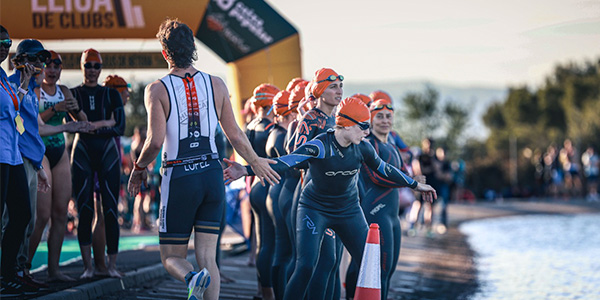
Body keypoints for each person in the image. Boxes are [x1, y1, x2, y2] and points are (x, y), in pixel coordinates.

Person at [223, 96, 437, 300]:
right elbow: (285, 162)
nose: (367, 131)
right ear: (346, 124)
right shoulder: (320, 146)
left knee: (371, 262)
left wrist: (416, 184)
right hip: (315, 209)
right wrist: (245, 169)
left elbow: (385, 169)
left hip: (348, 211)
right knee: (306, 266)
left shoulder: (363, 147)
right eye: (363, 126)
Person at [127, 18, 279, 300]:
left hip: (179, 176)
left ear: (164, 52)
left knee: (171, 257)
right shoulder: (217, 84)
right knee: (209, 259)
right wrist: (255, 163)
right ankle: (201, 278)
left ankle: (191, 278)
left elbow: (155, 141)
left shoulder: (157, 89)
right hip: (212, 174)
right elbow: (234, 133)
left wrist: (137, 168)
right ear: (194, 48)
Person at [345, 99, 419, 299]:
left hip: (392, 216)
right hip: (375, 212)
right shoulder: (369, 145)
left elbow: (404, 172)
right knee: (378, 270)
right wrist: (410, 182)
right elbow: (377, 176)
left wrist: (417, 181)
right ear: (370, 119)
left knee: (388, 271)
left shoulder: (392, 147)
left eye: (388, 116)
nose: (385, 121)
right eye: (379, 117)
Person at [27, 50, 89, 283]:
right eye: (48, 66)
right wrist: (57, 109)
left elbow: (82, 123)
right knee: (42, 216)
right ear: (42, 68)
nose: (52, 70)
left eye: (56, 66)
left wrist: (76, 109)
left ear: (61, 69)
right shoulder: (35, 90)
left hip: (59, 153)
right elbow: (35, 122)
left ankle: (53, 270)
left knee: (61, 214)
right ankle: (25, 269)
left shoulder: (64, 91)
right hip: (39, 152)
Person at [70, 48, 125, 279]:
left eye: (96, 66)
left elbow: (120, 127)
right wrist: (106, 122)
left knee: (111, 210)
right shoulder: (73, 94)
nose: (92, 70)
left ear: (100, 69)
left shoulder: (111, 95)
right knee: (85, 211)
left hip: (107, 154)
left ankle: (111, 266)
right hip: (82, 152)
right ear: (81, 67)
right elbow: (73, 125)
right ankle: (88, 268)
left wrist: (94, 124)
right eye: (88, 66)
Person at [0, 25, 42, 297]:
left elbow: (14, 110)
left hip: (13, 156)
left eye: (7, 42)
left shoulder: (3, 76)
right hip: (2, 156)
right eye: (0, 42)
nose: (4, 46)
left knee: (23, 215)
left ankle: (6, 274)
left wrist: (24, 86)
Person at [245, 83, 278, 300]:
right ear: (269, 105)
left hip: (256, 185)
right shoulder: (270, 129)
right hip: (269, 186)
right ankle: (270, 292)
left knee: (261, 242)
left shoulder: (250, 126)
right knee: (272, 244)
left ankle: (261, 290)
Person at [265, 89, 295, 299]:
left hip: (273, 191)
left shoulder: (272, 131)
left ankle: (271, 295)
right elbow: (291, 165)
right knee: (289, 254)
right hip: (285, 190)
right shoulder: (286, 135)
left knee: (277, 250)